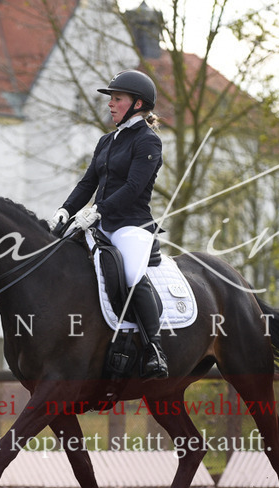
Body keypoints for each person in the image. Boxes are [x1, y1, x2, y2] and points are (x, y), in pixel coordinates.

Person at [47, 70, 169, 379]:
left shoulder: (148, 141)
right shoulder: (107, 141)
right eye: (111, 99)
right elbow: (88, 182)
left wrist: (97, 210)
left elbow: (132, 188)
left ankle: (155, 348)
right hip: (99, 223)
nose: (111, 104)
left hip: (132, 226)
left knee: (130, 272)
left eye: (117, 99)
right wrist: (66, 209)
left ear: (138, 104)